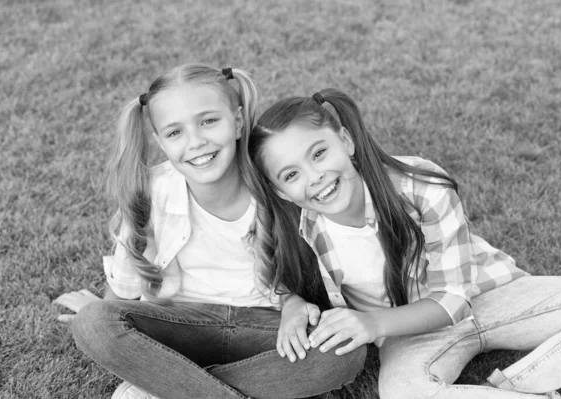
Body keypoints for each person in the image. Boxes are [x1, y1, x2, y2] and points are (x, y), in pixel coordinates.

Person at [247, 88, 561, 399]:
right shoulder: (295, 228)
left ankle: (509, 389)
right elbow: (271, 280)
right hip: (407, 332)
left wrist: (370, 324)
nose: (314, 176)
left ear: (346, 141)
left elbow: (453, 301)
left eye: (319, 153)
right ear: (280, 192)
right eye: (291, 175)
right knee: (404, 391)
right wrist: (291, 302)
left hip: (488, 295)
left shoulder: (418, 186)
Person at [54, 67, 366, 399]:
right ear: (160, 141)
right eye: (175, 133)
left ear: (238, 121)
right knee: (93, 324)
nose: (196, 142)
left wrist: (292, 302)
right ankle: (190, 384)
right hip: (181, 327)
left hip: (266, 329)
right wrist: (106, 313)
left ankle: (170, 385)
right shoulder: (151, 193)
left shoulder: (279, 181)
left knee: (345, 350)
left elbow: (312, 261)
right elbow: (124, 286)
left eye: (208, 121)